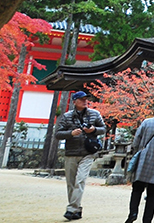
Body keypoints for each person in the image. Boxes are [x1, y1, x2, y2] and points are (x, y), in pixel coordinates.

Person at [55, 91, 106, 221]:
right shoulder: (66, 117)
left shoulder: (94, 114)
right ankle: (77, 210)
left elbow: (104, 129)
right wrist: (71, 133)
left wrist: (93, 130)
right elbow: (58, 134)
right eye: (81, 99)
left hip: (88, 152)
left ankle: (71, 209)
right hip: (71, 152)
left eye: (86, 99)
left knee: (80, 180)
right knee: (71, 183)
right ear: (74, 101)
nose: (85, 101)